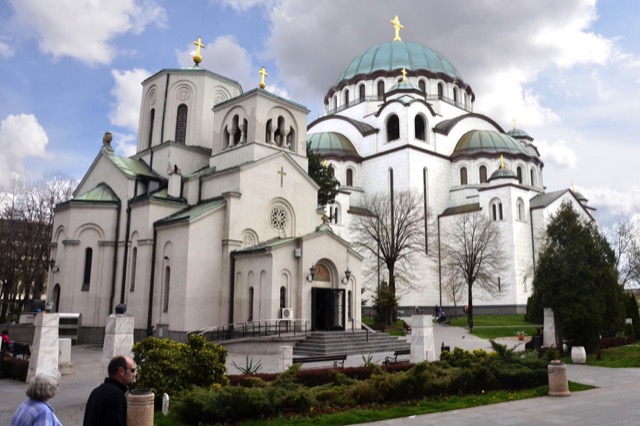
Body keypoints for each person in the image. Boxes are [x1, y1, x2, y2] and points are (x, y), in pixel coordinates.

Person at [83, 355, 137, 426]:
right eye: (132, 371)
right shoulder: (116, 395)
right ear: (121, 371)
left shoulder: (96, 391)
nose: (134, 375)